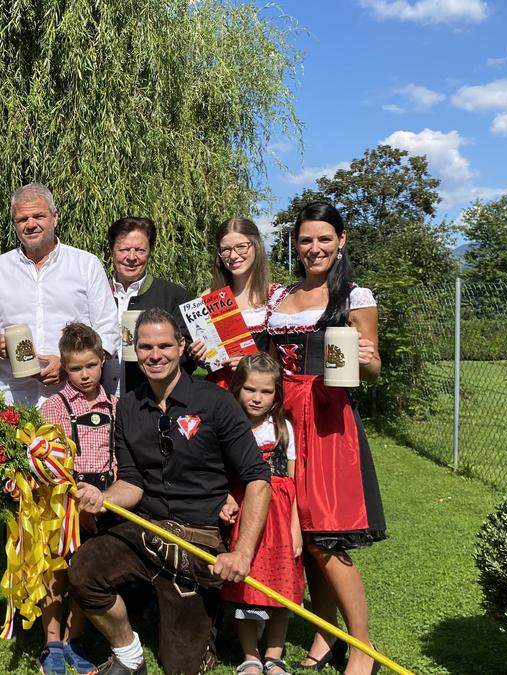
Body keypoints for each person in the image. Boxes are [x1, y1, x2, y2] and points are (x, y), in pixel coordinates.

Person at [68, 309, 272, 675]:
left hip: (197, 540)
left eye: (164, 345)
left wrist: (241, 554)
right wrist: (104, 498)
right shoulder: (128, 406)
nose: (155, 354)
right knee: (84, 571)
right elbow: (131, 482)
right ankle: (129, 655)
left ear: (181, 347)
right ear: (135, 350)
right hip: (145, 528)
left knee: (181, 667)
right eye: (146, 346)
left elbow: (258, 478)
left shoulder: (216, 403)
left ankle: (204, 623)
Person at [266, 200, 386, 675]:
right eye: (305, 240)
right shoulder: (281, 297)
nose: (314, 248)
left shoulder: (356, 297)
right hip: (285, 418)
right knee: (304, 534)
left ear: (341, 241)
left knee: (326, 537)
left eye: (323, 239)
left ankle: (363, 650)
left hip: (328, 420)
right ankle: (325, 635)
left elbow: (372, 370)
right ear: (295, 245)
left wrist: (369, 356)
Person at [0, 182, 118, 407]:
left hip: (74, 398)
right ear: (14, 224)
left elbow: (108, 330)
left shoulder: (86, 264)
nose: (30, 224)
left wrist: (69, 366)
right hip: (13, 400)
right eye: (22, 219)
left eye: (38, 216)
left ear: (54, 217)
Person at [35, 322, 116, 674]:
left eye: (91, 366)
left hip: (100, 503)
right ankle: (51, 643)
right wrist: (71, 496)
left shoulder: (114, 405)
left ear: (102, 360)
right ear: (65, 367)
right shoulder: (55, 406)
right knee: (57, 572)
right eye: (76, 368)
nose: (85, 375)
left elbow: (116, 455)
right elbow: (49, 461)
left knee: (87, 572)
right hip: (63, 502)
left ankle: (73, 639)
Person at [222, 353, 303, 675]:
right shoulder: (230, 427)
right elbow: (222, 475)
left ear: (276, 395)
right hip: (246, 516)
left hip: (281, 520)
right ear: (237, 388)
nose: (257, 398)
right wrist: (227, 498)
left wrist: (296, 529)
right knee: (248, 583)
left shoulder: (284, 430)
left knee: (282, 585)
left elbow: (293, 484)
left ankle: (274, 654)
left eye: (265, 392)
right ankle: (250, 655)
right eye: (250, 389)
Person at [103, 216, 192, 396]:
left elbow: (188, 353)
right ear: (112, 252)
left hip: (150, 401)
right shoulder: (96, 293)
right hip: (98, 402)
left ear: (150, 251)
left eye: (140, 250)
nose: (132, 257)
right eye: (124, 249)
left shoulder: (174, 296)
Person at [195, 217, 283, 389]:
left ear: (256, 245)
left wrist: (253, 363)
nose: (233, 256)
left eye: (241, 247)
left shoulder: (276, 297)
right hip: (219, 391)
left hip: (259, 393)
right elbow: (208, 362)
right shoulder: (208, 297)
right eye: (225, 250)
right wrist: (199, 355)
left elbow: (283, 361)